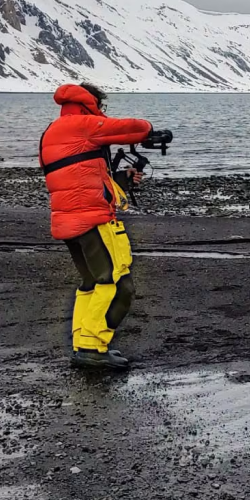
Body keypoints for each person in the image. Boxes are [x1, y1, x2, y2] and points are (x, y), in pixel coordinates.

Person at [40, 83, 162, 371]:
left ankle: (84, 345)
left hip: (68, 220)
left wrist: (120, 179)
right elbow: (136, 127)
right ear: (91, 103)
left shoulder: (53, 131)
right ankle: (95, 347)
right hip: (93, 220)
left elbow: (76, 175)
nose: (103, 112)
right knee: (118, 285)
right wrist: (149, 131)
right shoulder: (83, 125)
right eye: (101, 107)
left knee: (91, 284)